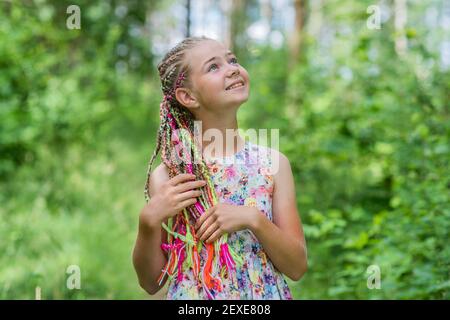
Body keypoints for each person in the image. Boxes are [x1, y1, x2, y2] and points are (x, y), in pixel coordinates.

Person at [132, 36, 307, 299]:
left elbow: (296, 266)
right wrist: (148, 222)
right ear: (188, 96)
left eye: (233, 60)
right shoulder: (172, 175)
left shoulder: (273, 165)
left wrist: (253, 219)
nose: (232, 68)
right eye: (214, 67)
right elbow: (151, 283)